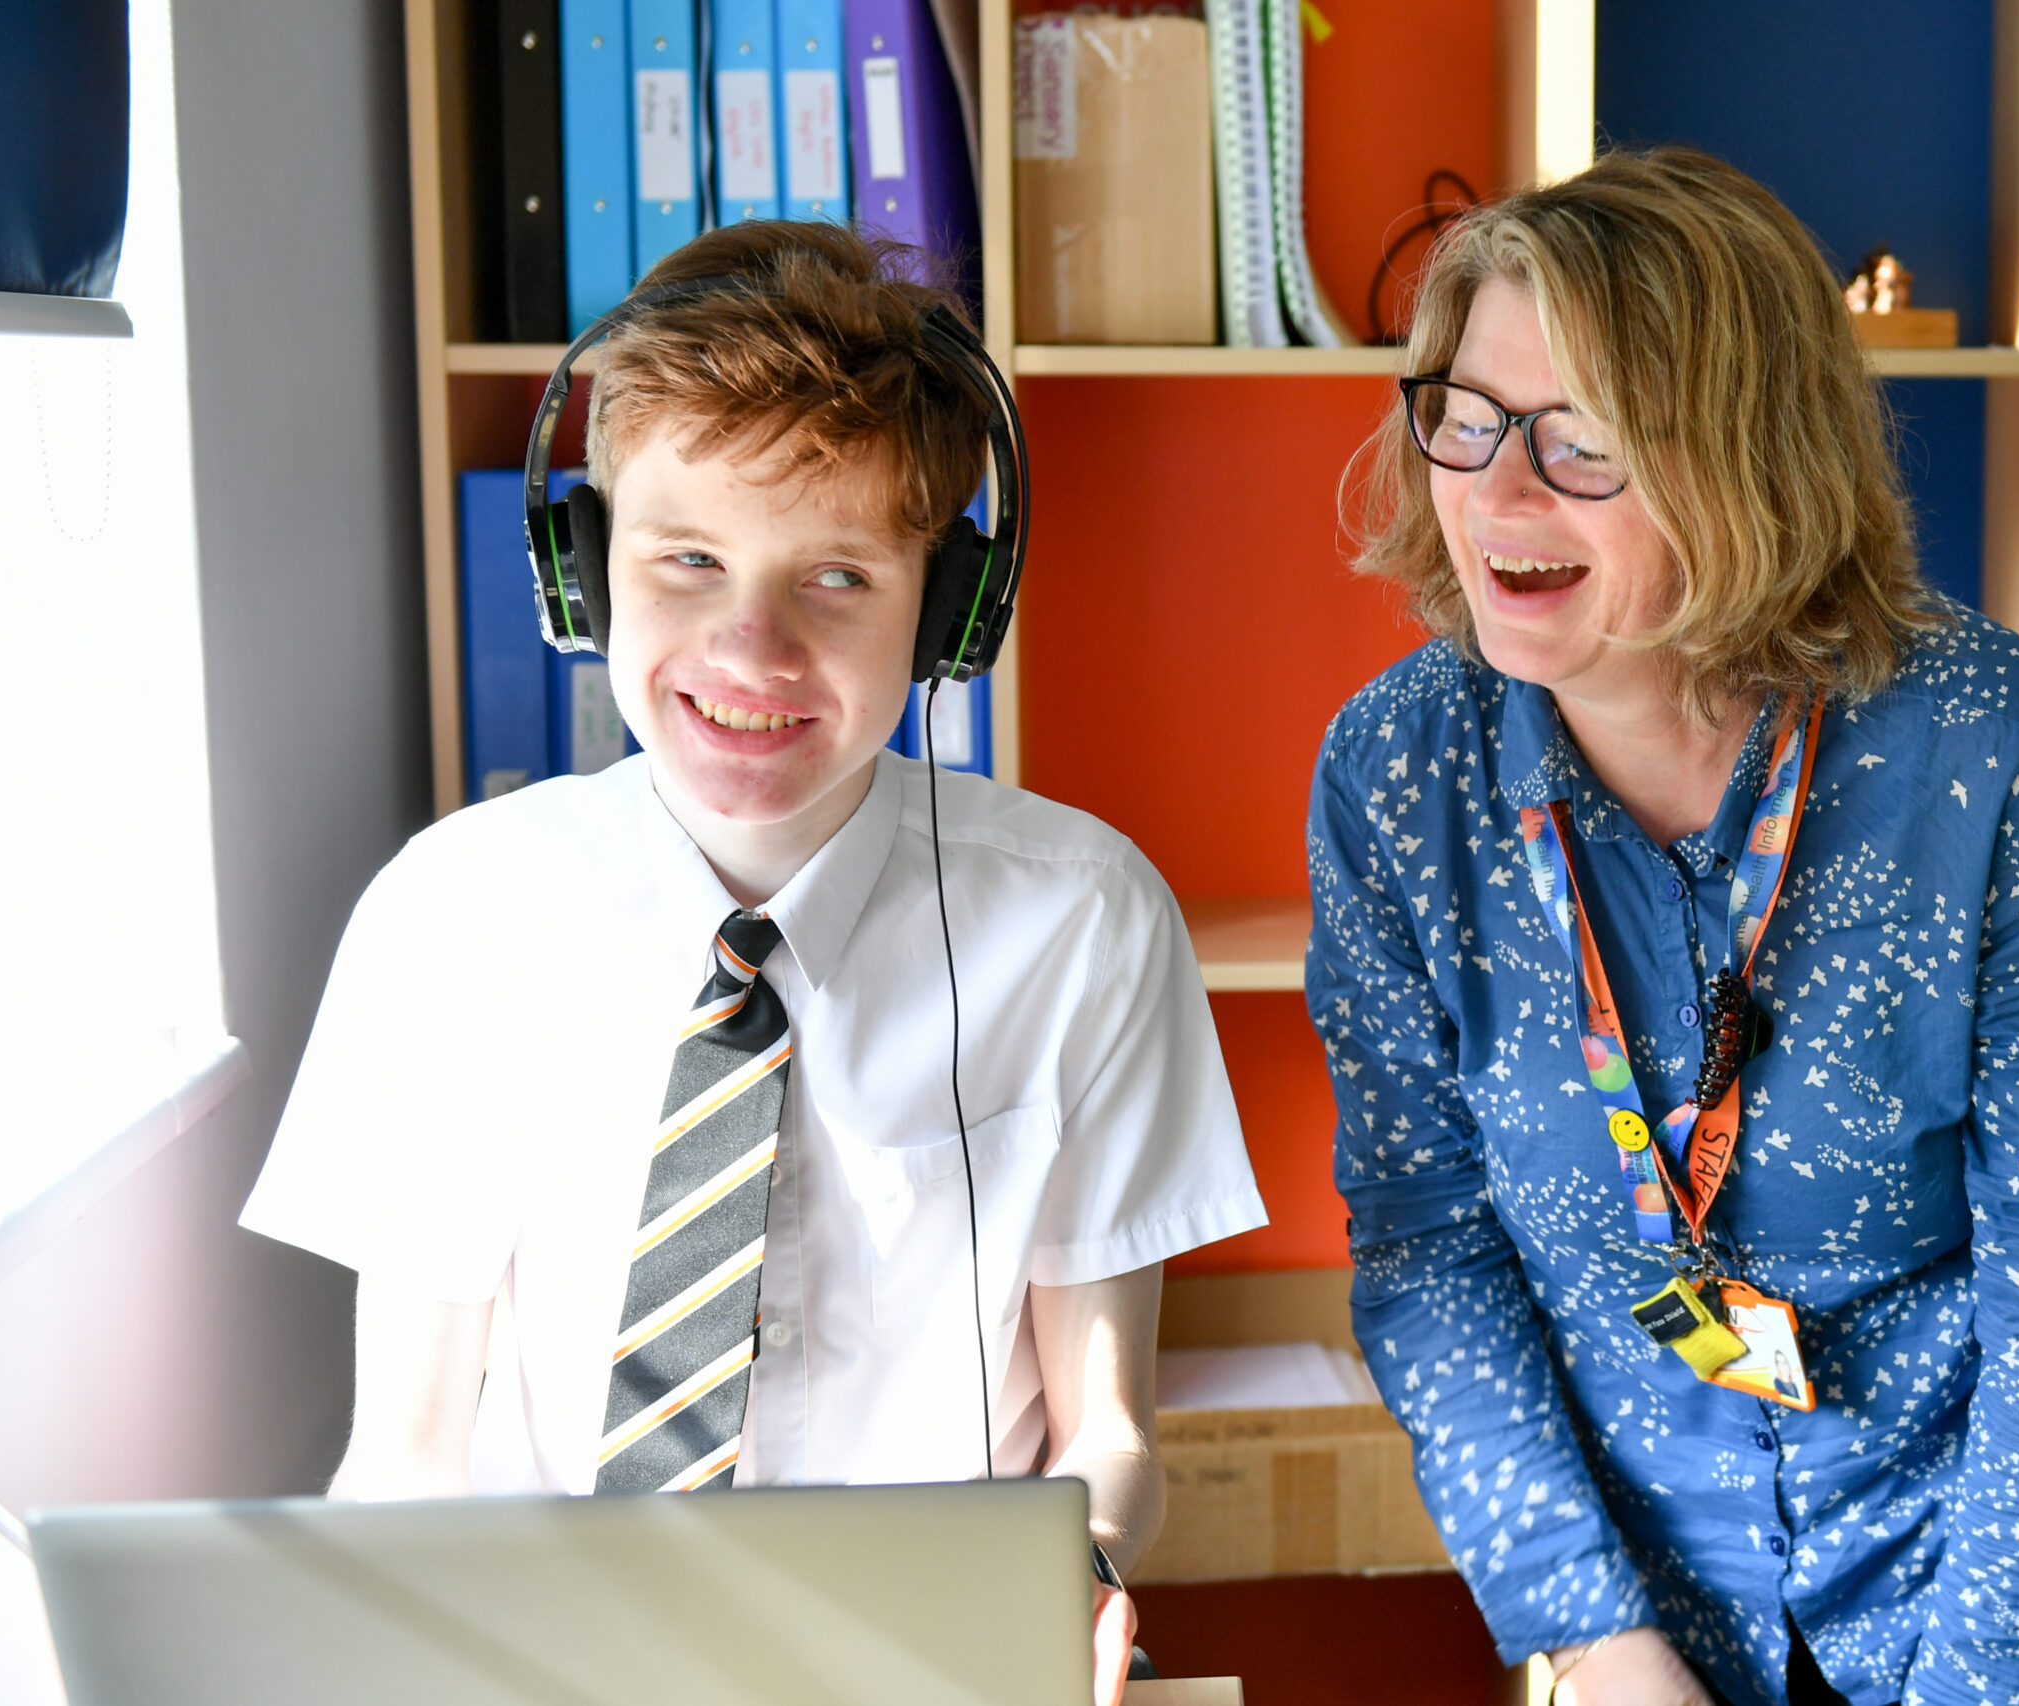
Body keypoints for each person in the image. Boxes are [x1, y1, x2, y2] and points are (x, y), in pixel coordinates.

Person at [241, 220, 1266, 1706]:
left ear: (951, 609)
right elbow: (401, 1454)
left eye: (839, 577)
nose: (753, 648)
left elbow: (1112, 1440)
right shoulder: (448, 918)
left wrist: (1081, 1576)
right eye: (691, 559)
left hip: (940, 1672)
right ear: (582, 569)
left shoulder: (1087, 923)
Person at [1305, 148, 2019, 1706]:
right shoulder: (1398, 770)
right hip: (1659, 1565)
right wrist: (1593, 1634)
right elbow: (1431, 1246)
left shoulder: (1995, 742)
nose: (1495, 491)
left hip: (2013, 1514)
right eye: (1466, 418)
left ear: (1748, 457)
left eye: (1581, 441)